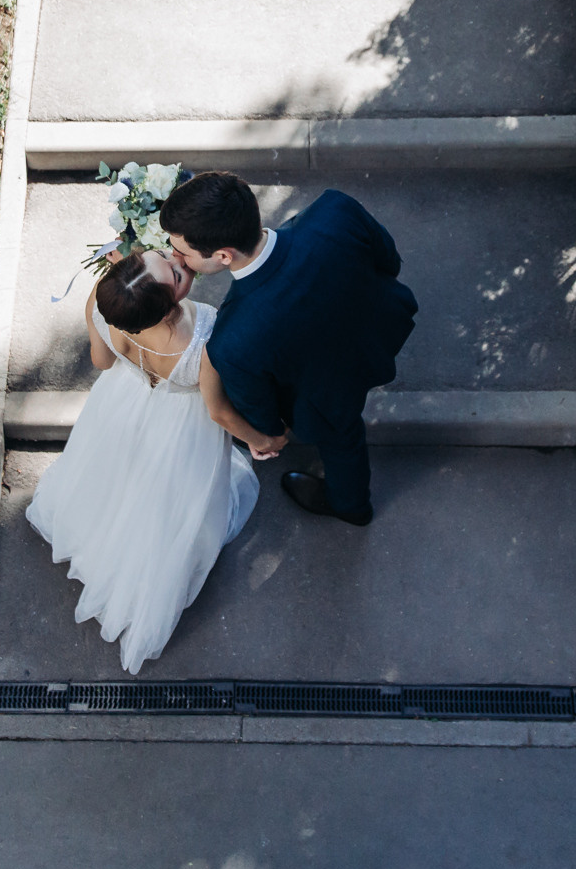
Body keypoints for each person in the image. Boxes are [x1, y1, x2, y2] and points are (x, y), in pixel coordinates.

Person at [25, 246, 282, 673]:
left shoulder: (103, 298)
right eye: (176, 275)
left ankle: (106, 536)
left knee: (120, 474)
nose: (181, 263)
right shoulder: (202, 335)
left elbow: (101, 360)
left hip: (123, 403)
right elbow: (218, 412)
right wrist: (261, 440)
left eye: (166, 255)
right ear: (166, 312)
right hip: (184, 425)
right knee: (171, 496)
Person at [160, 172, 418, 526]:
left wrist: (269, 436)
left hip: (326, 395)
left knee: (342, 440)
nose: (177, 256)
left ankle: (351, 506)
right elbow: (389, 261)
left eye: (183, 251)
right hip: (382, 330)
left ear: (222, 255)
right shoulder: (334, 210)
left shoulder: (232, 340)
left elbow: (264, 413)